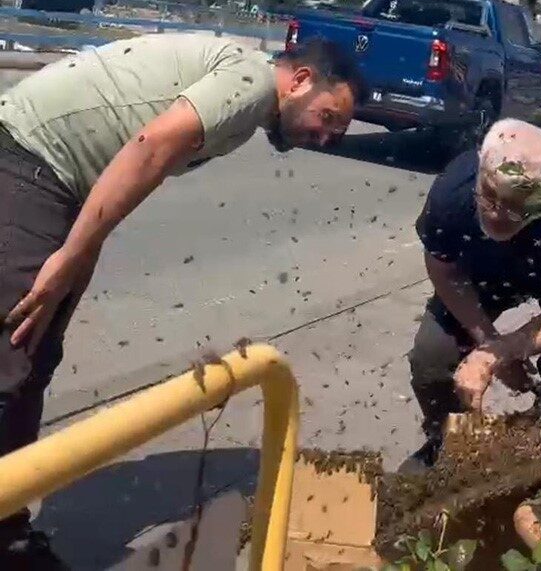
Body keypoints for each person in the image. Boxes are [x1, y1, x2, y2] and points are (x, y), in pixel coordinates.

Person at [0, 33, 361, 568]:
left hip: (57, 180)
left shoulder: (247, 97)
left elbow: (128, 165)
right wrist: (67, 255)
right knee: (10, 361)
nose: (325, 136)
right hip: (29, 163)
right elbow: (150, 146)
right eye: (328, 118)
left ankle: (8, 529)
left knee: (33, 359)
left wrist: (79, 253)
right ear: (302, 81)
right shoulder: (251, 84)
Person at [407, 119, 541, 468]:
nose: (496, 214)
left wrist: (503, 353)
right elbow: (444, 269)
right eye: (489, 195)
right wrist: (487, 342)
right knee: (431, 356)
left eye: (516, 207)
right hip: (482, 272)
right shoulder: (453, 191)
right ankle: (447, 446)